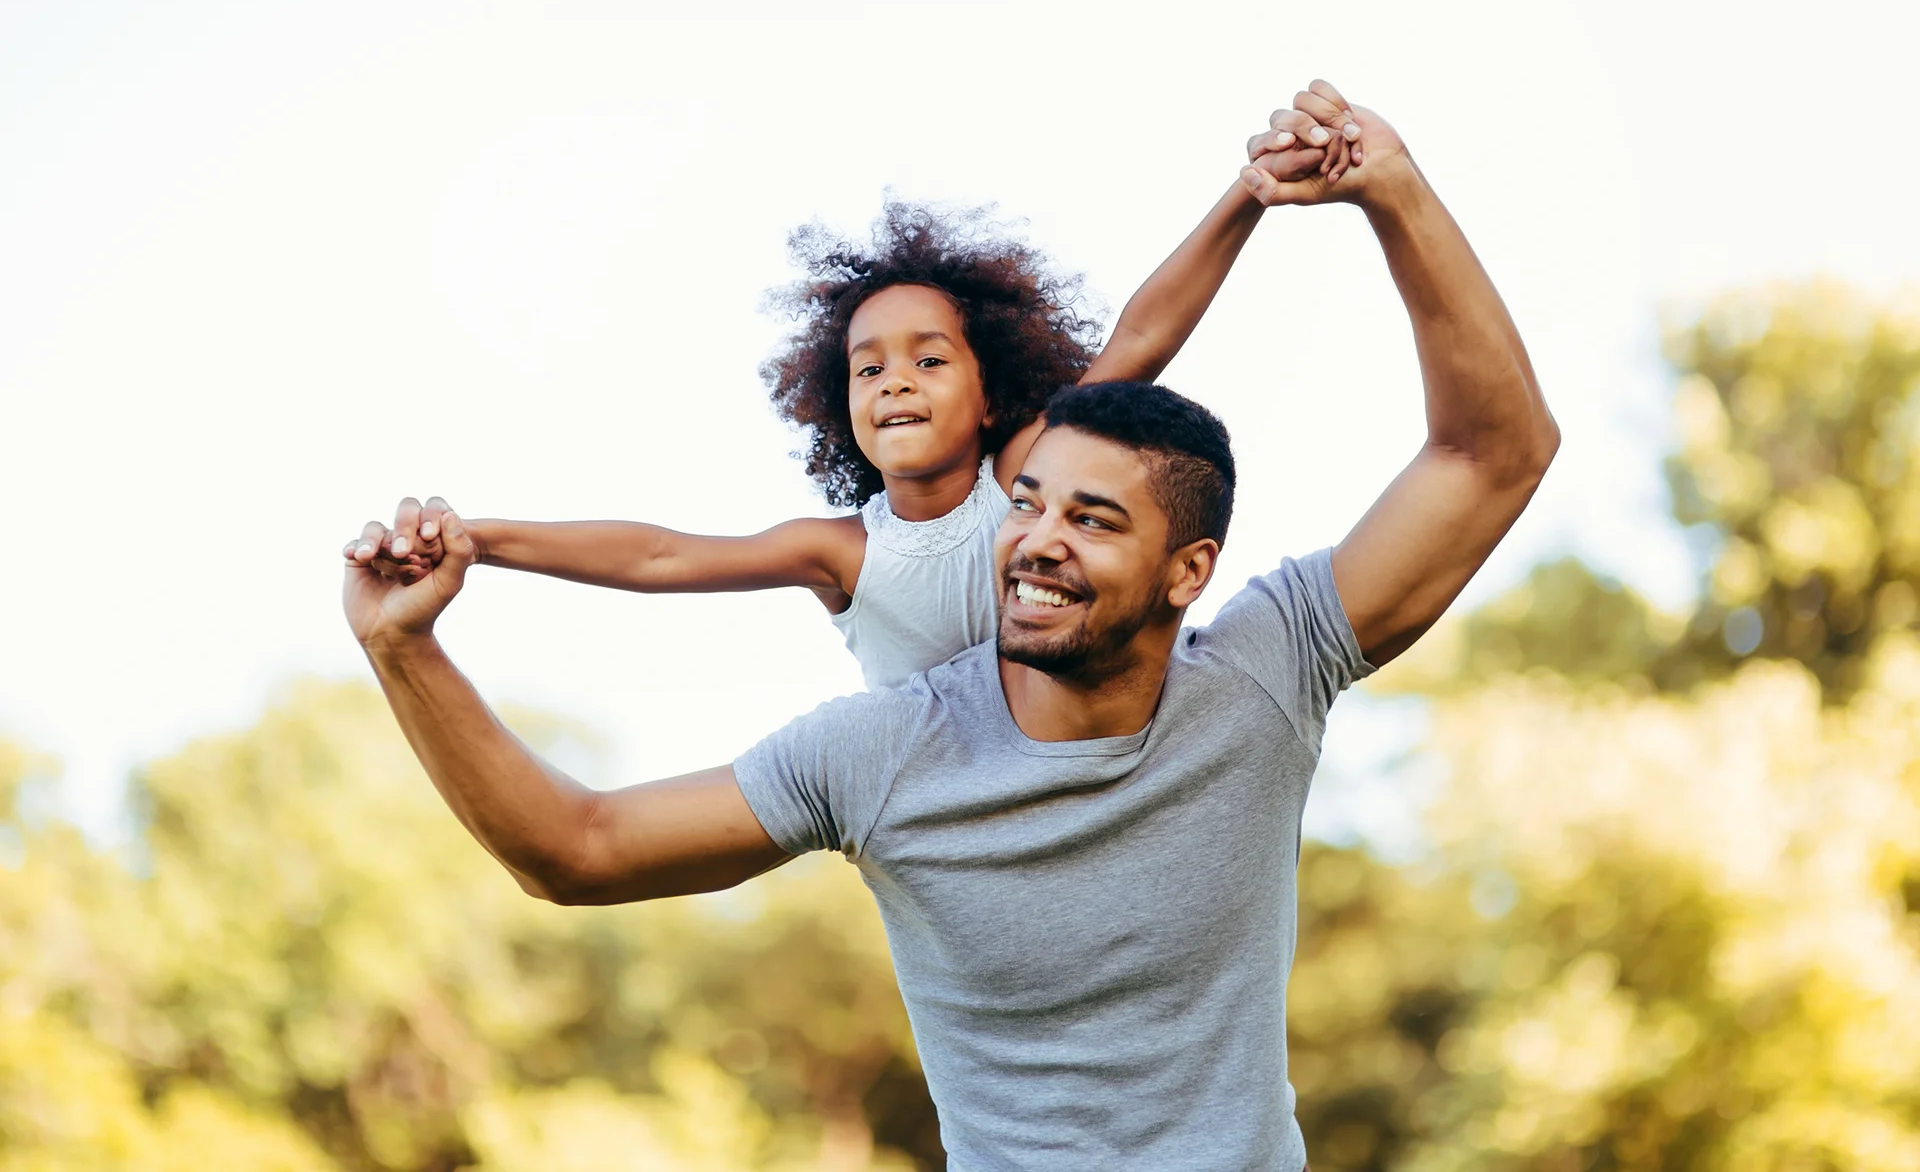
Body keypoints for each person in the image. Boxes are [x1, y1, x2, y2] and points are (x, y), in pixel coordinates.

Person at [343, 81, 1558, 1169]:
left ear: (1189, 570)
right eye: (1031, 504)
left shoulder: (1266, 670)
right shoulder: (883, 748)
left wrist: (1388, 190)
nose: (1034, 537)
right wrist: (409, 644)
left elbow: (1494, 450)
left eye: (1091, 518)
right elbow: (580, 846)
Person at [345, 107, 1359, 691]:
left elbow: (1140, 337)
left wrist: (1246, 196)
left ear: (993, 389)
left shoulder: (1020, 479)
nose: (896, 381)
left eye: (928, 360)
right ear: (843, 407)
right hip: (955, 796)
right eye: (869, 368)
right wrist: (477, 536)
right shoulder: (844, 551)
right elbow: (661, 554)